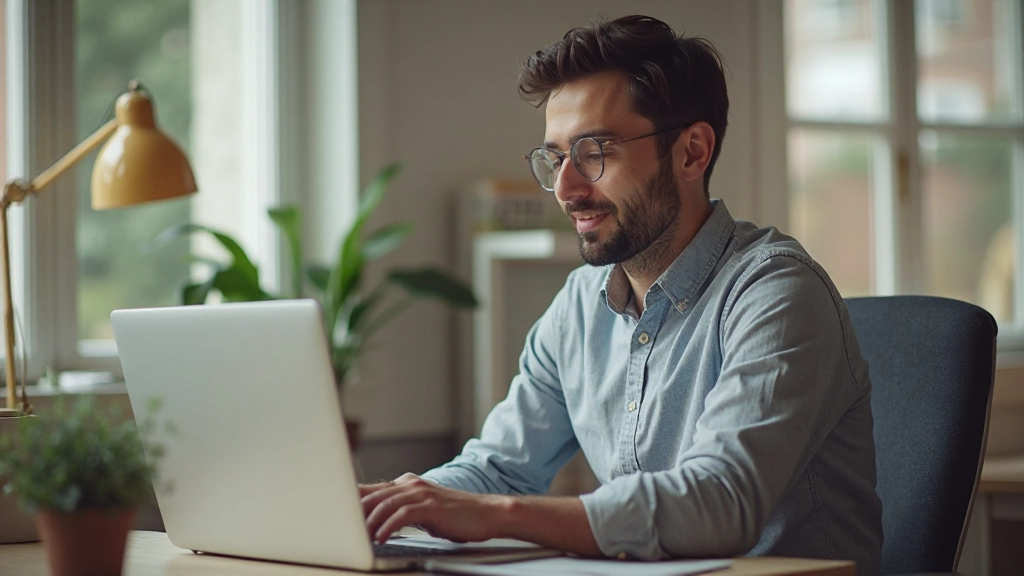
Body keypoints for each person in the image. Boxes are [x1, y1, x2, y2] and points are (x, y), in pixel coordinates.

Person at [360, 14, 882, 573]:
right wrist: (382, 504)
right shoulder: (579, 307)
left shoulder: (776, 292)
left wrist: (498, 513)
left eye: (593, 152)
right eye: (556, 158)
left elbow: (720, 503)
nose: (565, 188)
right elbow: (496, 469)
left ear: (691, 152)